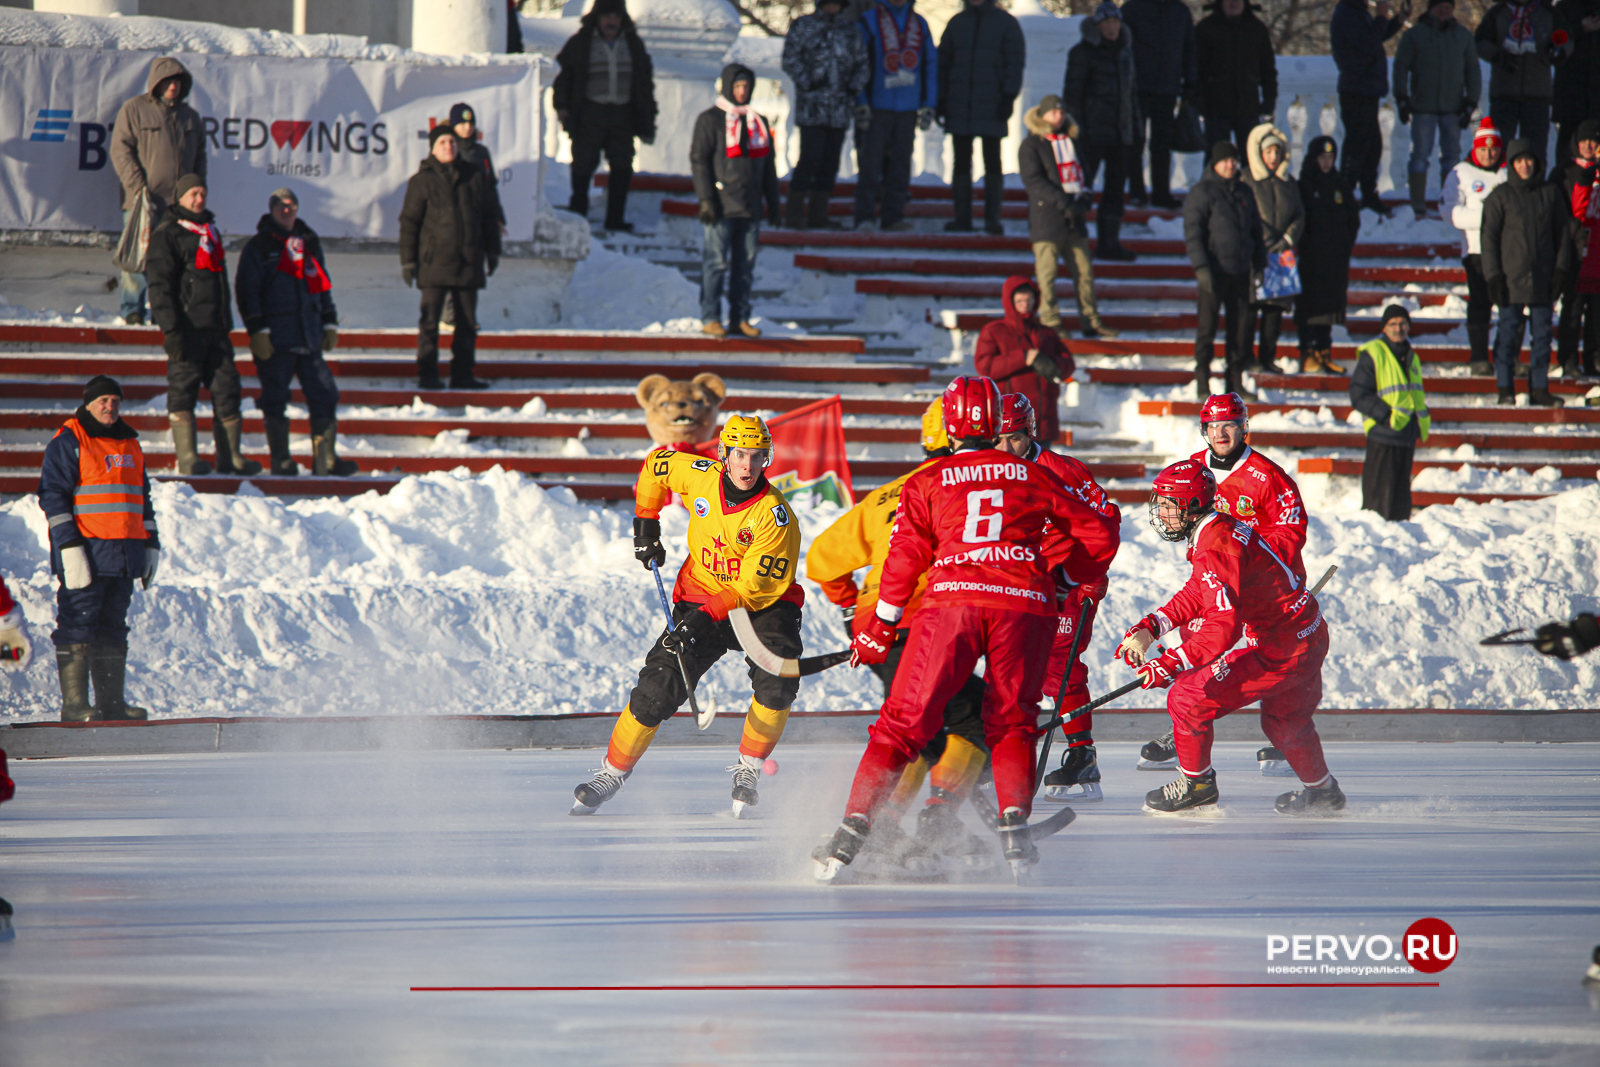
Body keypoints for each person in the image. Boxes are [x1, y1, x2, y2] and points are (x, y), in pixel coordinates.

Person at [813, 376, 1119, 883]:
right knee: (1012, 721)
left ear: (948, 427)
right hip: (1022, 604)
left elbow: (905, 557)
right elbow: (1101, 532)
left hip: (951, 604)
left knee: (902, 724)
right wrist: (1065, 579)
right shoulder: (1033, 475)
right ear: (996, 423)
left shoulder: (926, 481)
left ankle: (856, 825)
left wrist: (880, 624)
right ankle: (1013, 825)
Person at [572, 417, 803, 818]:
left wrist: (699, 622)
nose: (747, 466)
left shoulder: (775, 516)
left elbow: (752, 588)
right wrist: (646, 523)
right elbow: (655, 466)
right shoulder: (699, 475)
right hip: (700, 594)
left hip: (762, 606)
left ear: (767, 458)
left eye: (756, 456)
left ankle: (749, 768)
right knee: (657, 688)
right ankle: (611, 773)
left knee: (778, 681)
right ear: (724, 455)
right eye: (740, 455)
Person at [805, 402, 995, 870]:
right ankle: (912, 821)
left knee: (930, 718)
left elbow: (822, 559)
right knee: (962, 719)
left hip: (877, 622)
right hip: (929, 618)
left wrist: (851, 607)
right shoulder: (971, 488)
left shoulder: (885, 495)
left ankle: (906, 821)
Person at [1115, 459, 1339, 816]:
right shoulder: (1218, 528)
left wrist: (1172, 662)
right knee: (1285, 721)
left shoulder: (1215, 544)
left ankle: (1197, 786)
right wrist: (1152, 626)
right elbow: (1200, 591)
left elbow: (1223, 625)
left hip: (1282, 649)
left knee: (1186, 698)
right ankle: (1324, 792)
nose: (1160, 513)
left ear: (1190, 506)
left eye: (1168, 504)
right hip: (1307, 635)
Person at [1133, 390, 1309, 770]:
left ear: (1244, 428)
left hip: (1262, 583)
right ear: (1204, 429)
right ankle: (1185, 722)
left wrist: (1246, 555)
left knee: (1271, 652)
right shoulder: (1195, 468)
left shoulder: (1268, 476)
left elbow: (1292, 530)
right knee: (1196, 635)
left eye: (1229, 424)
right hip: (1217, 573)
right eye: (1213, 426)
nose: (1221, 433)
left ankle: (1286, 735)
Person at [993, 393, 1121, 803]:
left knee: (1058, 664)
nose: (1005, 447)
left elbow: (1105, 521)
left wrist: (1090, 576)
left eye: (1014, 437)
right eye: (997, 438)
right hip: (1018, 583)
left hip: (1068, 581)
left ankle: (1082, 754)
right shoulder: (987, 472)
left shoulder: (1062, 470)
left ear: (1030, 431)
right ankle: (1005, 751)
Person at [38, 376, 160, 723]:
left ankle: (111, 705)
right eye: (103, 400)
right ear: (89, 404)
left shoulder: (130, 443)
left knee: (113, 627)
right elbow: (52, 496)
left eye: (115, 401)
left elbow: (142, 499)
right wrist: (68, 545)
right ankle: (75, 706)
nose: (110, 406)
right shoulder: (70, 440)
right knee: (77, 623)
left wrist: (151, 543)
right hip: (86, 552)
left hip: (124, 555)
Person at [234, 188, 355, 478]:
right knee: (275, 398)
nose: (286, 211)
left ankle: (326, 459)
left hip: (309, 335)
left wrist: (329, 322)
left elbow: (322, 284)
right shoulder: (259, 246)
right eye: (281, 206)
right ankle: (282, 460)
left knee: (325, 394)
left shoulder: (308, 242)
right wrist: (257, 329)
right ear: (271, 209)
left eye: (291, 206)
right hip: (276, 338)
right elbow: (247, 291)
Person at [145, 174, 260, 478]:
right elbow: (159, 287)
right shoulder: (167, 233)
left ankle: (231, 457)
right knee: (183, 390)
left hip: (216, 329)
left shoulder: (210, 231)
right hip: (187, 329)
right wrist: (171, 330)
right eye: (193, 193)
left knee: (228, 389)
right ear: (179, 198)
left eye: (202, 193)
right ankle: (188, 457)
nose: (199, 199)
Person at [400, 125, 501, 391]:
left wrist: (493, 250)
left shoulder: (474, 176)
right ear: (433, 148)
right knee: (430, 322)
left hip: (468, 260)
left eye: (452, 142)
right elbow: (409, 222)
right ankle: (428, 374)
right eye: (443, 142)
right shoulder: (422, 180)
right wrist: (408, 261)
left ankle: (463, 374)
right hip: (434, 262)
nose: (449, 147)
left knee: (467, 323)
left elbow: (489, 215)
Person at [110, 56, 206, 328]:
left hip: (179, 207)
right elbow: (120, 150)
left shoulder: (190, 117)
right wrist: (138, 187)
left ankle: (167, 310)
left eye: (177, 82)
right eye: (167, 81)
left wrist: (197, 191)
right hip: (143, 202)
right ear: (156, 83)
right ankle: (133, 310)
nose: (173, 87)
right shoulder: (135, 109)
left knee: (176, 262)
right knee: (138, 257)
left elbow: (200, 157)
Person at [1482, 138, 1576, 405]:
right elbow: (1488, 239)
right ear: (1512, 164)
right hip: (1510, 279)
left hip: (1543, 278)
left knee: (1543, 336)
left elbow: (1562, 235)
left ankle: (1539, 388)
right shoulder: (1500, 196)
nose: (1525, 165)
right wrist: (1493, 276)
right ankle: (1505, 387)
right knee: (1508, 335)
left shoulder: (1550, 194)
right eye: (1519, 161)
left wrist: (1560, 270)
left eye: (1529, 160)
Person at [691, 65, 781, 340]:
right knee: (716, 263)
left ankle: (739, 318)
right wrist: (706, 199)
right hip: (721, 205)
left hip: (750, 205)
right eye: (737, 86)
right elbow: (699, 161)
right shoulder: (710, 119)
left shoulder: (758, 122)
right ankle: (711, 317)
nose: (742, 92)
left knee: (745, 267)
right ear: (728, 87)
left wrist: (773, 202)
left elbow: (768, 166)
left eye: (746, 87)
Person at [552, 0, 657, 232]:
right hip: (589, 111)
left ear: (622, 20)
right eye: (606, 17)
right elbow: (563, 76)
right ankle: (578, 215)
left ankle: (615, 219)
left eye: (616, 17)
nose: (611, 22)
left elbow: (644, 81)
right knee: (582, 165)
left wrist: (647, 113)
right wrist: (562, 106)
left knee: (622, 165)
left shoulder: (633, 44)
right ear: (596, 19)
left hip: (623, 113)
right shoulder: (580, 43)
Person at [1019, 95, 1118, 339]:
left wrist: (1084, 199)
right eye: (1053, 112)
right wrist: (1063, 201)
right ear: (1042, 115)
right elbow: (1033, 180)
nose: (1058, 117)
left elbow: (1085, 173)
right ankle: (1051, 321)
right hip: (1047, 219)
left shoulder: (1071, 142)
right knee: (1047, 275)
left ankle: (1091, 320)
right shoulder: (1032, 145)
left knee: (1084, 272)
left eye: (1062, 112)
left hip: (1075, 219)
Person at [1185, 141, 1267, 399]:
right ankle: (1203, 382)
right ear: (1215, 163)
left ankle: (1235, 382)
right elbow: (1193, 234)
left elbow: (1256, 231)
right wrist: (1201, 267)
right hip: (1213, 272)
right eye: (1225, 161)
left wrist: (1259, 264)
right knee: (1207, 329)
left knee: (1240, 331)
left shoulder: (1244, 191)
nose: (1230, 165)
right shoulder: (1202, 192)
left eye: (1233, 160)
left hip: (1241, 273)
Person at [937, 0, 1026, 235]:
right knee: (961, 162)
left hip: (993, 103)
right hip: (959, 103)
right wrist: (941, 99)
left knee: (993, 162)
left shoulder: (1006, 24)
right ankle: (962, 218)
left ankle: (992, 220)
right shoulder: (957, 23)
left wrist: (1008, 96)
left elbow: (1015, 62)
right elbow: (943, 62)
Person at [782, 0, 871, 230]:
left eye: (836, 4)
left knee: (830, 163)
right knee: (809, 159)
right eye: (828, 4)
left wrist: (852, 88)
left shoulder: (850, 30)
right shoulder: (804, 26)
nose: (832, 8)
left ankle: (818, 215)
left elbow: (862, 64)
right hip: (812, 110)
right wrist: (808, 83)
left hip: (839, 110)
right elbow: (790, 58)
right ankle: (793, 215)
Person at [1062, 2, 1141, 261]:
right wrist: (1078, 131)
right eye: (1106, 23)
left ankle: (1109, 243)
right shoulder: (1082, 53)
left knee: (1115, 191)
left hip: (1120, 135)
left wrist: (1136, 131)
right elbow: (1072, 96)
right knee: (1081, 189)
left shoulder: (1126, 52)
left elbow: (1131, 96)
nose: (1111, 28)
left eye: (1115, 22)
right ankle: (1073, 241)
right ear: (1097, 26)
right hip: (1091, 135)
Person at [1393, 0, 1482, 219]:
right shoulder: (1415, 35)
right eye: (1439, 5)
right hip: (1422, 107)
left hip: (1453, 108)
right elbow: (1400, 67)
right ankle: (1417, 206)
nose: (1444, 10)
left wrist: (1470, 101)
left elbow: (1473, 70)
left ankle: (1448, 203)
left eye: (1448, 6)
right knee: (1420, 156)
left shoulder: (1462, 36)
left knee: (1452, 157)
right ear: (1430, 8)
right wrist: (1402, 98)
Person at [853, 0, 938, 232]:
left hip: (908, 107)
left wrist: (929, 103)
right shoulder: (869, 21)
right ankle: (864, 216)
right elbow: (857, 62)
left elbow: (930, 63)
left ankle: (893, 216)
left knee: (900, 165)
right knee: (870, 164)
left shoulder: (919, 24)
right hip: (877, 105)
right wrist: (860, 101)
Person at [1349, 304, 1429, 519]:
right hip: (1384, 435)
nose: (1398, 328)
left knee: (1400, 504)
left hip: (1407, 433)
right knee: (1378, 503)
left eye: (1402, 323)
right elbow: (1358, 393)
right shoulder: (1374, 352)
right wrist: (1386, 416)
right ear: (1384, 327)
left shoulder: (1410, 355)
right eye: (1392, 324)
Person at [974, 277, 1073, 446]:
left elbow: (1068, 365)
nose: (1025, 305)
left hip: (1042, 422)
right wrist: (1023, 357)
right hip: (1008, 425)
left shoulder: (1047, 333)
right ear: (1009, 301)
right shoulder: (994, 331)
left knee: (1041, 462)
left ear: (1036, 301)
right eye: (1019, 300)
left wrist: (1051, 363)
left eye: (1029, 300)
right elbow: (985, 367)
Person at [1444, 119, 1509, 375]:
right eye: (1483, 149)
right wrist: (1486, 219)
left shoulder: (1509, 171)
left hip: (1509, 251)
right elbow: (1449, 211)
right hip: (1476, 252)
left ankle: (1508, 356)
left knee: (1510, 305)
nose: (1488, 155)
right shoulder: (1460, 173)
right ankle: (1479, 357)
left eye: (1493, 150)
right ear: (1475, 149)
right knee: (1480, 303)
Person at [1121, 0, 1199, 210]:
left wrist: (1190, 82)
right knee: (1135, 142)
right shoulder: (1133, 8)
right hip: (1137, 88)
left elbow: (1189, 48)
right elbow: (1121, 47)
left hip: (1167, 88)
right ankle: (1137, 192)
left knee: (1162, 144)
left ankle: (1161, 193)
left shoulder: (1180, 12)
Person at [1294, 135, 1362, 374]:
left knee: (1330, 305)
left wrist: (1344, 246)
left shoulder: (1340, 186)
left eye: (1330, 157)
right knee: (1309, 306)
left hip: (1335, 261)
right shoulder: (1304, 186)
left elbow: (1353, 219)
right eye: (1322, 157)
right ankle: (1307, 352)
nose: (1326, 162)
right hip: (1311, 260)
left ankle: (1324, 352)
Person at [1332, 0, 1405, 216]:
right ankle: (1345, 195)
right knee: (1358, 144)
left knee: (1372, 145)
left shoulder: (1356, 11)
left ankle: (1368, 194)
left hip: (1366, 88)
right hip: (1356, 88)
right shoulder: (1347, 13)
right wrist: (1382, 17)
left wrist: (1396, 21)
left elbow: (1373, 37)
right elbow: (1368, 42)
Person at [1475, 0, 1574, 158]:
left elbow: (1566, 38)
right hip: (1504, 91)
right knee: (1500, 147)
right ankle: (1500, 174)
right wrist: (1497, 55)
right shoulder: (1498, 12)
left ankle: (1536, 175)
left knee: (1535, 149)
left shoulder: (1549, 13)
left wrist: (1559, 52)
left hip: (1538, 92)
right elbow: (1480, 41)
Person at [1243, 123, 1304, 373]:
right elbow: (1245, 212)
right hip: (1255, 253)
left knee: (1274, 310)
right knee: (1251, 308)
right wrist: (1264, 238)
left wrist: (1288, 239)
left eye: (1277, 152)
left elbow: (1299, 214)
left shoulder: (1288, 182)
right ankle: (1246, 356)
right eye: (1268, 152)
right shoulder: (1247, 179)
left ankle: (1268, 357)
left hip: (1281, 256)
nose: (1273, 157)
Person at [1194, 0, 1277, 153]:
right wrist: (1197, 98)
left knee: (1252, 156)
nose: (1234, 3)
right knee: (1216, 156)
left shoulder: (1256, 29)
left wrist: (1269, 98)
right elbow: (1195, 69)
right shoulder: (1206, 28)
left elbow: (1268, 69)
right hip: (1215, 108)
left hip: (1248, 107)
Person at [1554, 120, 1600, 379]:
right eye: (1584, 141)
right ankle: (1568, 358)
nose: (1588, 146)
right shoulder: (1564, 171)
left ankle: (1594, 358)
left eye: (1593, 141)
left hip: (1597, 252)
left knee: (1596, 310)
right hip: (1572, 249)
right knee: (1572, 307)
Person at [1552, 0, 1600, 171]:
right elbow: (1553, 43)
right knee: (1567, 156)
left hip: (1596, 95)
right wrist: (1580, 28)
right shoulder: (1563, 8)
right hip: (1571, 95)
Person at [450, 103, 507, 236]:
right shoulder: (449, 150)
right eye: (462, 124)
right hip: (455, 217)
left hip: (480, 215)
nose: (467, 128)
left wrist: (498, 217)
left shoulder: (481, 152)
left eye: (471, 124)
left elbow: (490, 186)